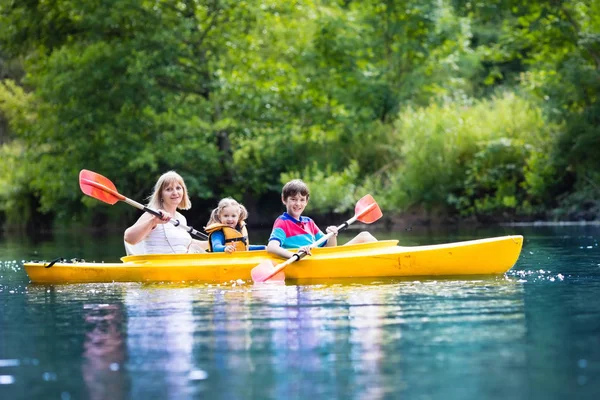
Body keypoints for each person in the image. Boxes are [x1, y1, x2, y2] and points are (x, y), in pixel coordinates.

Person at [266, 179, 376, 259]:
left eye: (302, 200)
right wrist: (295, 255)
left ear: (306, 201)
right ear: (284, 200)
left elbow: (330, 249)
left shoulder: (309, 222)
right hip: (307, 260)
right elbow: (271, 247)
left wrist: (332, 236)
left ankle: (389, 257)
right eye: (293, 199)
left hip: (322, 258)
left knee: (364, 236)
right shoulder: (282, 222)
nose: (298, 204)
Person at [124, 171, 207, 254]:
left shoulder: (181, 218)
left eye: (178, 188)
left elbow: (187, 245)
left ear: (183, 191)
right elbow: (129, 238)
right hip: (157, 265)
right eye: (168, 189)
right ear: (161, 195)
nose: (175, 193)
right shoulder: (153, 214)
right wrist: (153, 221)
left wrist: (211, 242)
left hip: (179, 264)